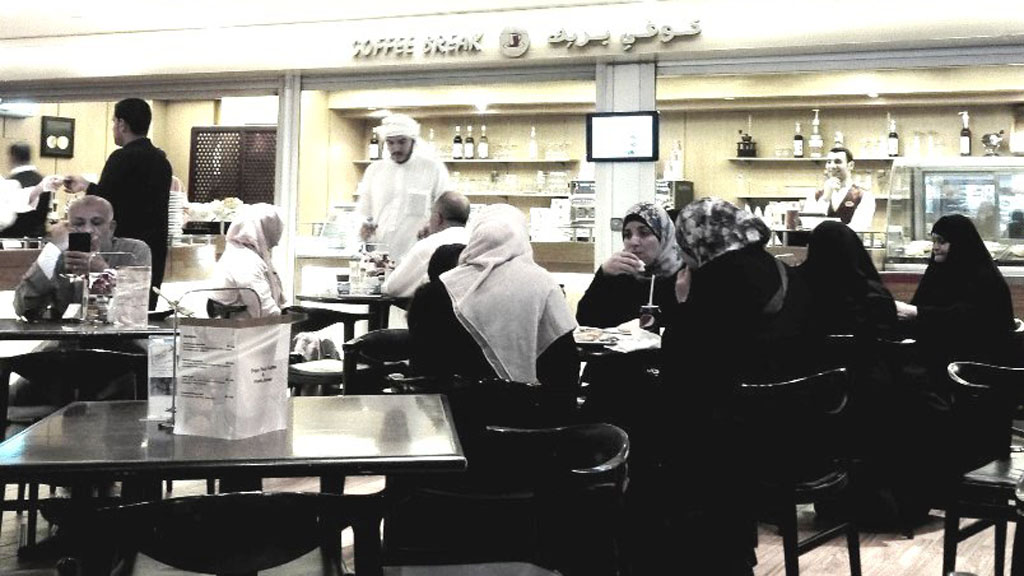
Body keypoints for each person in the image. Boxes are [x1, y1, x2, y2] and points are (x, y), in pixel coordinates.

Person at [660, 197, 812, 575]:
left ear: (700, 238)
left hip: (733, 440)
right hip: (792, 430)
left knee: (660, 435)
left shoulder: (717, 278)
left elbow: (683, 362)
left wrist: (681, 304)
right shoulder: (784, 270)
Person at [892, 214, 1015, 509]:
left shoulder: (984, 277)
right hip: (947, 358)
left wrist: (915, 315)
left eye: (942, 241)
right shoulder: (940, 272)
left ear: (959, 244)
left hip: (974, 369)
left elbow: (971, 322)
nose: (935, 248)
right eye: (933, 241)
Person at [407, 204, 578, 388]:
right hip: (530, 409)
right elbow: (564, 364)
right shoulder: (544, 285)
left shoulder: (438, 290)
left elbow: (422, 367)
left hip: (454, 408)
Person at [64, 98, 172, 309]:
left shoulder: (121, 158)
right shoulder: (162, 161)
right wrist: (88, 185)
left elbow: (105, 203)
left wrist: (89, 190)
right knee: (141, 307)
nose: (114, 127)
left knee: (107, 307)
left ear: (122, 124)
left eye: (114, 122)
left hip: (119, 251)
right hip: (154, 248)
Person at [14, 196, 151, 321]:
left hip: (122, 340)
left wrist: (102, 270)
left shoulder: (133, 251)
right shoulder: (62, 256)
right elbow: (24, 309)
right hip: (68, 340)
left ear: (111, 227)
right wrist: (51, 251)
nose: (88, 230)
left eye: (96, 223)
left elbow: (136, 306)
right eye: (79, 224)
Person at [355, 113, 450, 262]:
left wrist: (432, 226)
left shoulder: (433, 168)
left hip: (419, 255)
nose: (396, 148)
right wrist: (363, 226)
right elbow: (363, 210)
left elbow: (447, 206)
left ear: (413, 141)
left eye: (402, 142)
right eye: (390, 143)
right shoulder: (375, 170)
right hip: (380, 254)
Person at [576, 201, 683, 327]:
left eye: (644, 233)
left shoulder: (685, 274)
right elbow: (586, 320)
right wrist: (604, 276)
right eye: (627, 235)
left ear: (664, 236)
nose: (634, 242)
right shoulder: (623, 272)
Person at [381, 191, 470, 299]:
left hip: (431, 313)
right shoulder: (475, 243)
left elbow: (393, 288)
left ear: (438, 218)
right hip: (468, 313)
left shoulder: (428, 245)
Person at [209, 203, 285, 318]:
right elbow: (263, 309)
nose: (276, 242)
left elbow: (278, 299)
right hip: (239, 331)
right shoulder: (243, 260)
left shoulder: (249, 255)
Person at [803, 146, 875, 231]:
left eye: (838, 162)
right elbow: (808, 225)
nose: (832, 166)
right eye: (829, 162)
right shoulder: (814, 195)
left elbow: (858, 228)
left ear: (850, 165)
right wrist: (825, 198)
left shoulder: (864, 196)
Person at [3, 142, 49, 238]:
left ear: (13, 157)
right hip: (38, 241)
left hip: (11, 241)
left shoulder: (9, 183)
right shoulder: (44, 181)